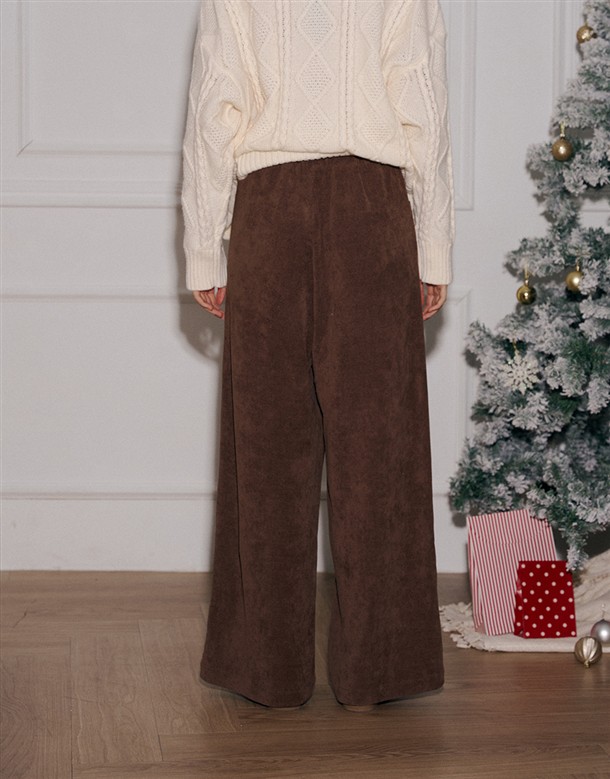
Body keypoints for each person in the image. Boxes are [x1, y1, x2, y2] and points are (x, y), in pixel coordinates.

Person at [181, 0, 454, 712]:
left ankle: (264, 667)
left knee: (265, 449)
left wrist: (205, 245)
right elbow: (422, 101)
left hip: (268, 210)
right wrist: (433, 245)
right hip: (373, 208)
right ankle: (379, 670)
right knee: (381, 448)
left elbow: (214, 104)